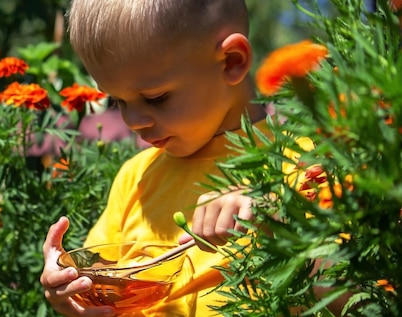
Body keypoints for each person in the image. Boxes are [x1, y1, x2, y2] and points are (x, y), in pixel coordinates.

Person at [40, 0, 270, 316]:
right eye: (117, 101)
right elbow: (107, 285)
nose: (133, 121)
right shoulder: (135, 177)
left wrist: (278, 218)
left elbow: (346, 297)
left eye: (155, 98)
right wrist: (74, 289)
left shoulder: (299, 168)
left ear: (231, 61)